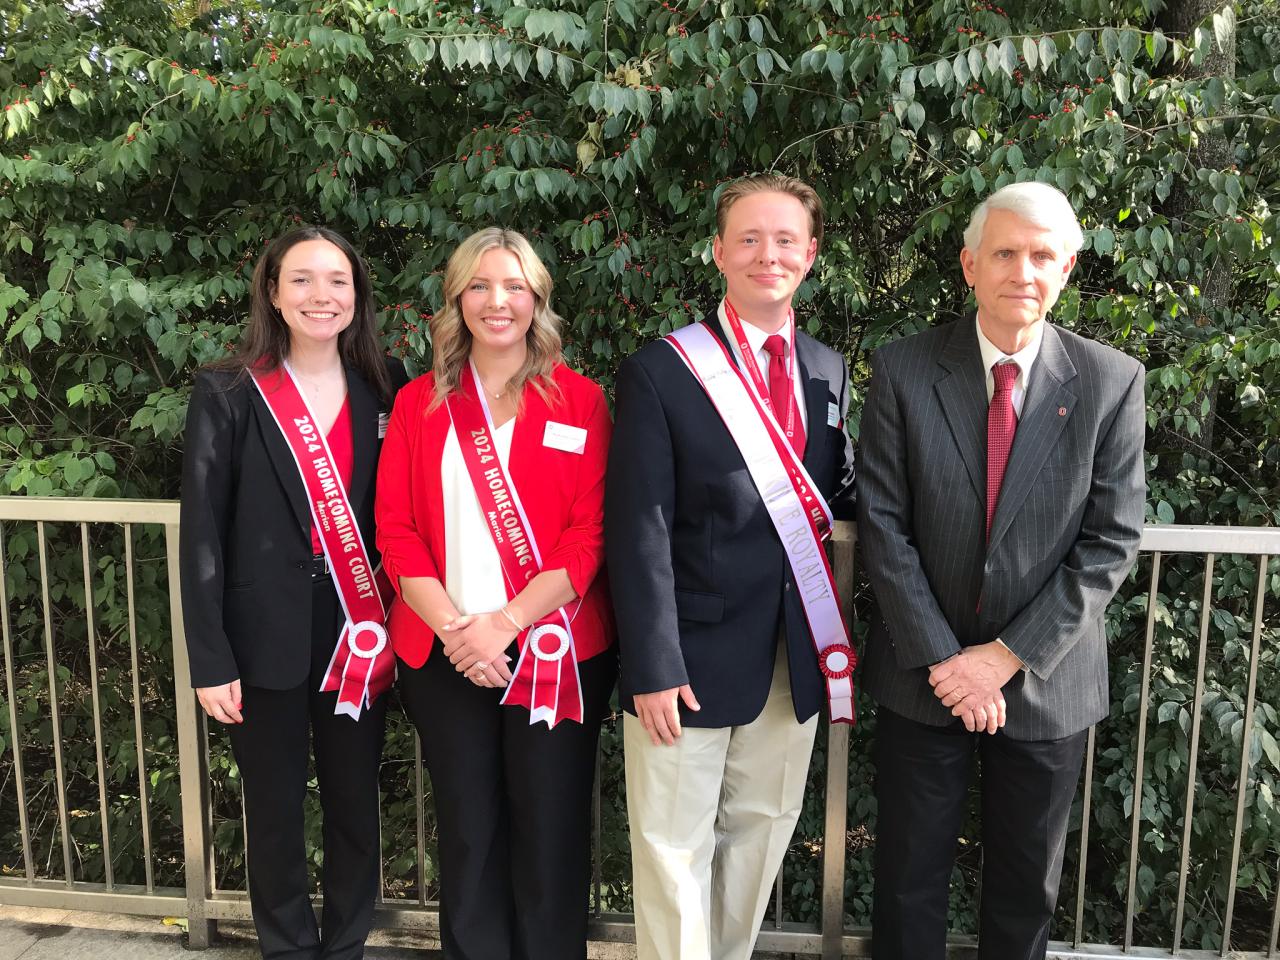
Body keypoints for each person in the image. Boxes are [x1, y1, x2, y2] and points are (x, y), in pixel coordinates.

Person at [857, 181, 1146, 960]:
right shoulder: (904, 370)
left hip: (1047, 684)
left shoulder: (1111, 382)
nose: (1024, 270)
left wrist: (1004, 657)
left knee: (1025, 888)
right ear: (970, 265)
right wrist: (949, 661)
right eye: (1006, 253)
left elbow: (1113, 538)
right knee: (908, 878)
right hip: (924, 677)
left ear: (1067, 269)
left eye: (1042, 256)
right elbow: (883, 527)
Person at [606, 174, 856, 960]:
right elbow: (638, 523)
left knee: (760, 839)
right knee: (673, 849)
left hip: (793, 653)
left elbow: (837, 496)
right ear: (718, 251)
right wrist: (650, 662)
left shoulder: (828, 369)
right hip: (686, 659)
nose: (766, 254)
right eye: (748, 238)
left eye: (785, 240)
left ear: (810, 256)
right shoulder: (662, 369)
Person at [374, 227, 615, 960]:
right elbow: (396, 530)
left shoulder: (581, 402)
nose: (496, 300)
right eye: (478, 285)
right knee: (470, 826)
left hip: (555, 648)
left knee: (549, 825)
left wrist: (505, 623)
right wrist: (458, 631)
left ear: (537, 296)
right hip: (444, 651)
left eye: (512, 285)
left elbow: (588, 537)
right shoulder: (419, 403)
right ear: (456, 299)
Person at [180, 225, 408, 960]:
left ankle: (345, 945)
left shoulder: (389, 382)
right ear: (274, 294)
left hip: (359, 632)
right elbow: (204, 532)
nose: (321, 295)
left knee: (354, 808)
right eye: (303, 280)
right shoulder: (227, 390)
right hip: (259, 636)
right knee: (272, 810)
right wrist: (210, 657)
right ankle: (286, 947)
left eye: (337, 281)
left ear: (356, 295)